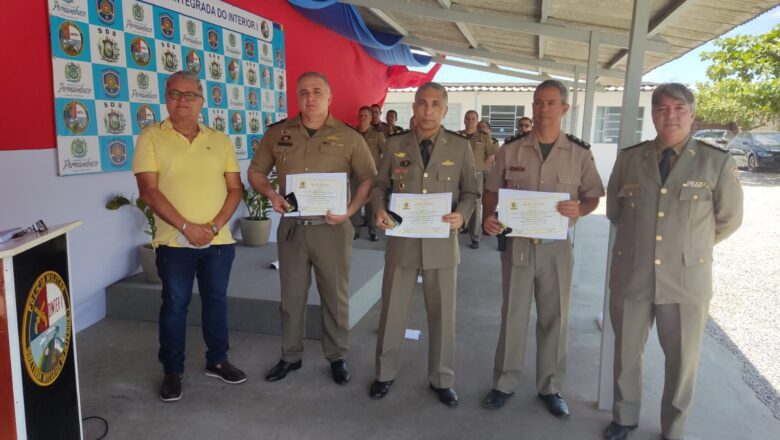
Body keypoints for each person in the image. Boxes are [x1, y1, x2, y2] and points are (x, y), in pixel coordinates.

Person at [603, 83, 743, 440]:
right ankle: (624, 417)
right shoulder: (630, 158)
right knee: (627, 352)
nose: (671, 115)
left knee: (682, 361)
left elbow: (728, 219)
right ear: (652, 115)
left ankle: (673, 428)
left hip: (685, 280)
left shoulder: (716, 161)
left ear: (692, 115)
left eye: (680, 108)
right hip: (632, 273)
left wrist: (686, 248)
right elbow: (615, 211)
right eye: (662, 108)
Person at [481, 79, 604, 416]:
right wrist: (488, 217)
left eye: (550, 103)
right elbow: (493, 189)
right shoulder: (512, 149)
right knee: (513, 315)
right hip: (518, 245)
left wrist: (582, 209)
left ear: (564, 108)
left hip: (556, 247)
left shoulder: (579, 153)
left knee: (555, 317)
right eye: (538, 102)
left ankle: (550, 386)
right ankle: (504, 382)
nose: (543, 109)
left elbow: (593, 194)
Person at [248, 72, 377, 385]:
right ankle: (290, 355)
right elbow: (255, 172)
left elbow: (368, 178)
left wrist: (349, 210)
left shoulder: (349, 137)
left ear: (329, 97)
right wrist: (271, 194)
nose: (310, 97)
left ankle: (337, 355)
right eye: (304, 92)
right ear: (297, 96)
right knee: (291, 297)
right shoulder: (278, 133)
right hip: (293, 229)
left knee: (335, 296)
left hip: (332, 229)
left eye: (317, 91)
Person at [133, 70, 246, 402]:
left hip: (218, 242)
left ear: (201, 100)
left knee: (216, 303)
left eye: (189, 95)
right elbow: (148, 191)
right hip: (173, 242)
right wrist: (186, 227)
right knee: (175, 306)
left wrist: (211, 228)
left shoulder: (220, 139)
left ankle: (218, 360)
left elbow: (235, 189)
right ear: (166, 97)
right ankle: (172, 370)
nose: (181, 101)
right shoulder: (151, 137)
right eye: (174, 94)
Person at [369, 82, 479, 407]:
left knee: (443, 314)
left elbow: (471, 192)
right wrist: (378, 208)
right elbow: (379, 186)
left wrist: (462, 214)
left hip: (442, 243)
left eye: (435, 105)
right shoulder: (394, 144)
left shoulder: (460, 147)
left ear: (444, 110)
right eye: (422, 104)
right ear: (413, 108)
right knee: (392, 312)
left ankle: (442, 378)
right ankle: (384, 373)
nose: (427, 111)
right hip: (402, 241)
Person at [459, 110, 498, 249]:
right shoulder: (458, 136)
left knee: (475, 205)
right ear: (464, 120)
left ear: (477, 121)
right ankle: (458, 228)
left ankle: (475, 236)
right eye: (468, 118)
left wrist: (481, 168)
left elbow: (491, 156)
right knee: (457, 202)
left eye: (473, 119)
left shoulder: (484, 137)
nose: (470, 121)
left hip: (477, 175)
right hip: (458, 176)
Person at [351, 106, 386, 241]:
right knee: (355, 201)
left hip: (372, 175)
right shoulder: (353, 134)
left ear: (371, 118)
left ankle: (373, 229)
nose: (363, 118)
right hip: (356, 174)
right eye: (361, 115)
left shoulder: (378, 136)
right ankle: (356, 229)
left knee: (371, 204)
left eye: (366, 115)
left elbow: (386, 154)